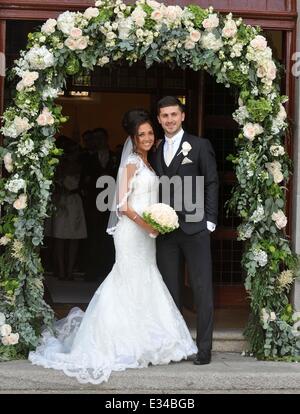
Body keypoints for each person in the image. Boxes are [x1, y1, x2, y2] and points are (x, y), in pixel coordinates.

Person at [29, 110, 197, 384]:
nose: (147, 138)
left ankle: (146, 340)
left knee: (147, 278)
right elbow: (121, 205)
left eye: (150, 133)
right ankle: (119, 341)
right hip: (132, 232)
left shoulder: (150, 163)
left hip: (147, 232)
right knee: (127, 279)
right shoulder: (131, 163)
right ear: (133, 138)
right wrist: (147, 225)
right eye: (141, 134)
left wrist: (159, 219)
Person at [150, 96, 219, 365]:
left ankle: (204, 349)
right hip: (165, 231)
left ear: (182, 116)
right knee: (170, 291)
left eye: (173, 115)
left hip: (196, 227)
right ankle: (175, 346)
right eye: (164, 116)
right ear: (158, 119)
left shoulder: (200, 146)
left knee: (202, 289)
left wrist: (210, 220)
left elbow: (211, 182)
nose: (169, 120)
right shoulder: (154, 150)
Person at [45, 136, 87, 281]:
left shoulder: (82, 166)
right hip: (61, 201)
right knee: (59, 237)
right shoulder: (58, 167)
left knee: (74, 237)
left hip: (75, 201)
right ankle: (61, 270)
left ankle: (69, 270)